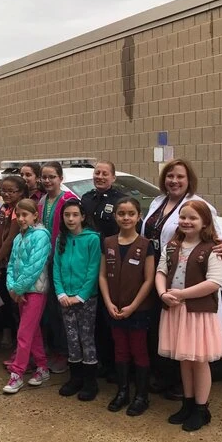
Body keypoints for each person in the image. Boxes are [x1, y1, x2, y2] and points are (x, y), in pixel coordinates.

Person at [141, 158, 222, 400]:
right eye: (170, 176)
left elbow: (216, 239)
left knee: (189, 338)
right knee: (164, 331)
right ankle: (165, 377)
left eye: (180, 176)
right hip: (159, 274)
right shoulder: (158, 202)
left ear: (189, 179)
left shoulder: (198, 205)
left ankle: (185, 390)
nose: (174, 181)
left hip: (186, 281)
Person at [156, 200, 222, 431]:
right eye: (183, 217)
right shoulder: (173, 246)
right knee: (184, 359)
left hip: (198, 313)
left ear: (205, 221)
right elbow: (161, 271)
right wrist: (163, 293)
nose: (186, 221)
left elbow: (214, 282)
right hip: (175, 310)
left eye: (193, 218)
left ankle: (201, 408)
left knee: (199, 360)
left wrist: (182, 294)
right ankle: (187, 402)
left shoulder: (212, 248)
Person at [99, 197, 156, 416]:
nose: (126, 218)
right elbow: (102, 276)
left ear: (138, 216)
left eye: (131, 213)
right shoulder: (108, 243)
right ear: (115, 216)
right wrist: (108, 302)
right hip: (114, 307)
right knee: (120, 349)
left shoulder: (145, 245)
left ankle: (142, 395)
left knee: (139, 351)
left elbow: (149, 280)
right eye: (121, 213)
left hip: (137, 311)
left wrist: (133, 306)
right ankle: (122, 391)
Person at [52, 199, 102, 401]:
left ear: (82, 217)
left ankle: (91, 381)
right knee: (71, 338)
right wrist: (61, 293)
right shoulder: (60, 239)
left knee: (86, 337)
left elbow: (93, 269)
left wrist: (81, 295)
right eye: (67, 215)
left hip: (85, 299)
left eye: (74, 215)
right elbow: (56, 267)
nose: (70, 219)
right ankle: (76, 377)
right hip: (65, 298)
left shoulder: (92, 239)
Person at [81, 160, 125, 383]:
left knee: (110, 316)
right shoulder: (86, 199)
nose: (100, 176)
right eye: (97, 173)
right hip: (88, 263)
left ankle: (114, 365)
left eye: (105, 173)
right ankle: (98, 360)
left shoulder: (119, 201)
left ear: (113, 177)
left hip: (110, 264)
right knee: (94, 316)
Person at [2, 199, 52, 394]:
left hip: (35, 291)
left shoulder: (41, 236)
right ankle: (42, 367)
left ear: (35, 216)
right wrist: (12, 287)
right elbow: (12, 264)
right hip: (20, 292)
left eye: (25, 215)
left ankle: (17, 373)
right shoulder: (18, 238)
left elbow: (34, 266)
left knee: (23, 333)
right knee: (33, 331)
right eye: (19, 215)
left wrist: (18, 289)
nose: (21, 219)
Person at [38, 161, 78, 374]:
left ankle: (65, 353)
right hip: (44, 260)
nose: (47, 180)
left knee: (61, 309)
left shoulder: (69, 200)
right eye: (44, 177)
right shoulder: (42, 200)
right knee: (49, 309)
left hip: (61, 260)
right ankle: (53, 349)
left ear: (60, 178)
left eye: (52, 176)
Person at [0, 175, 28, 358]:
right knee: (2, 299)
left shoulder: (20, 210)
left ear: (20, 192)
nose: (6, 194)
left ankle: (21, 346)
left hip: (16, 263)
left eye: (11, 191)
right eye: (3, 190)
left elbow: (11, 239)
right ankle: (8, 334)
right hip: (2, 261)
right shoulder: (4, 208)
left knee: (17, 305)